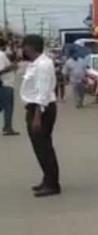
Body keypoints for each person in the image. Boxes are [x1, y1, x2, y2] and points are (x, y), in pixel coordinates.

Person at [20, 35, 61, 197]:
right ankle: (47, 179)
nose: (23, 49)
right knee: (40, 147)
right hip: (36, 108)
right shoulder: (35, 64)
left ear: (31, 47)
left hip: (41, 109)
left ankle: (52, 184)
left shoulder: (43, 65)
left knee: (43, 147)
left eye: (24, 46)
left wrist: (37, 115)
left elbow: (43, 91)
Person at [0, 39, 19, 136]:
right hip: (5, 84)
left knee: (4, 106)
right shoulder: (1, 55)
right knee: (8, 107)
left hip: (6, 84)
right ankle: (8, 128)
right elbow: (1, 70)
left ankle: (7, 127)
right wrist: (11, 67)